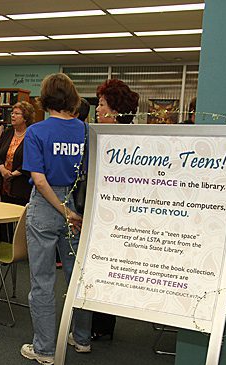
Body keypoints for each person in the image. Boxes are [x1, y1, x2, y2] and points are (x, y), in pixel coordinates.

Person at [20, 73, 92, 365]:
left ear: (45, 97)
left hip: (46, 207)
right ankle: (82, 338)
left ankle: (45, 349)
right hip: (76, 205)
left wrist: (64, 210)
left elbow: (39, 180)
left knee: (42, 280)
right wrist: (73, 212)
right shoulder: (86, 131)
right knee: (78, 276)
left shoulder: (36, 132)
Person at [92, 79, 140, 341]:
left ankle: (99, 325)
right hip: (108, 212)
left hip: (114, 214)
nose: (98, 109)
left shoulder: (121, 139)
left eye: (102, 104)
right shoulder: (104, 134)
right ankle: (100, 325)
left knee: (105, 270)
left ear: (115, 109)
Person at [0, 101, 35, 241]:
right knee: (4, 218)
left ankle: (19, 247)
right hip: (3, 182)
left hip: (21, 183)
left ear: (25, 117)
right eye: (12, 113)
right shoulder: (8, 132)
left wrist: (15, 173)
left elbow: (32, 158)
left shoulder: (32, 135)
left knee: (20, 219)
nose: (12, 116)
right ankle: (4, 245)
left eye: (17, 113)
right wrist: (2, 169)